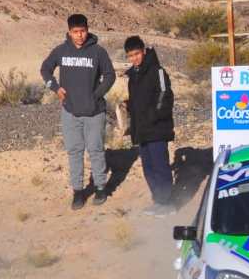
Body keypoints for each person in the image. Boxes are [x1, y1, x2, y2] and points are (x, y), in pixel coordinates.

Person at [40, 14, 115, 210]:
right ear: (69, 32)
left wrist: (96, 95)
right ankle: (78, 191)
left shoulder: (98, 52)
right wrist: (55, 87)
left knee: (96, 149)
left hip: (95, 112)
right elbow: (45, 70)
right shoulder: (61, 51)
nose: (79, 35)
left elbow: (110, 75)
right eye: (75, 32)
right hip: (70, 111)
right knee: (74, 151)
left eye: (82, 31)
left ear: (87, 30)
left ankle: (100, 187)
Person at [124, 36, 175, 216]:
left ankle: (168, 204)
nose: (135, 58)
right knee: (149, 168)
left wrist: (153, 116)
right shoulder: (133, 75)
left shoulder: (157, 71)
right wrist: (128, 107)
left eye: (137, 54)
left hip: (157, 128)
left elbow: (165, 95)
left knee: (160, 166)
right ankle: (158, 201)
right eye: (131, 55)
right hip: (141, 130)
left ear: (144, 51)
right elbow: (138, 100)